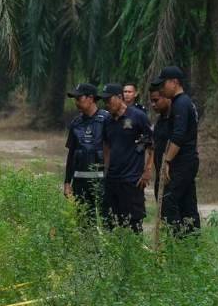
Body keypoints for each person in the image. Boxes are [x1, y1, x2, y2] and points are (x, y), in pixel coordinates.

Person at [98, 83, 154, 233]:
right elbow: (106, 146)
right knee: (109, 220)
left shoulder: (138, 116)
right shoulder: (107, 121)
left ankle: (134, 246)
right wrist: (106, 171)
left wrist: (148, 170)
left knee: (133, 222)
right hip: (112, 179)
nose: (106, 104)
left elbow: (151, 144)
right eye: (104, 101)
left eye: (109, 100)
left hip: (132, 179)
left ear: (119, 97)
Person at [151, 66, 201, 235]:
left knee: (168, 200)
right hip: (187, 160)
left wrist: (167, 161)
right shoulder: (184, 102)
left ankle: (177, 240)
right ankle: (192, 241)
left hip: (182, 161)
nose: (161, 88)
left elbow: (179, 136)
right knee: (187, 202)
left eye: (163, 84)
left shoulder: (181, 103)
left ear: (174, 82)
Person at [63, 83, 111, 222]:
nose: (76, 102)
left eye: (79, 98)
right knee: (82, 221)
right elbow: (71, 154)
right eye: (75, 99)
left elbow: (113, 151)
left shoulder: (106, 120)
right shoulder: (76, 123)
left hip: (101, 181)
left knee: (105, 221)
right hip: (79, 182)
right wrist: (67, 182)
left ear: (91, 98)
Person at [149, 84, 173, 201]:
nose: (153, 104)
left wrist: (167, 162)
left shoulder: (174, 120)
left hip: (172, 174)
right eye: (151, 101)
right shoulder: (159, 121)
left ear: (166, 97)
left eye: (156, 100)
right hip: (160, 173)